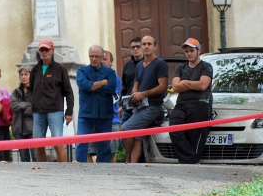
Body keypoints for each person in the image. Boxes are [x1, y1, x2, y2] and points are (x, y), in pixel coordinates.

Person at [121, 35, 169, 163]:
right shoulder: (139, 66)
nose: (146, 46)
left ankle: (127, 161)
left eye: (149, 44)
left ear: (155, 47)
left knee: (124, 130)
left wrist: (143, 95)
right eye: (144, 44)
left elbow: (162, 87)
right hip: (139, 106)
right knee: (137, 137)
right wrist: (135, 95)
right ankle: (133, 166)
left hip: (153, 107)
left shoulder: (160, 63)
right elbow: (135, 85)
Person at [28, 39, 75, 163]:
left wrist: (69, 111)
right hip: (38, 111)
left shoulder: (60, 69)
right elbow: (30, 88)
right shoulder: (35, 70)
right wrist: (33, 100)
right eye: (42, 49)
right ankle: (42, 170)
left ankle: (63, 170)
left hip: (55, 111)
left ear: (52, 51)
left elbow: (68, 91)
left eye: (46, 49)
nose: (44, 52)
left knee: (57, 143)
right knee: (38, 144)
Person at [169, 38, 213, 164]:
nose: (189, 53)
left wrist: (185, 82)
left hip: (201, 103)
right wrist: (192, 84)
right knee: (174, 129)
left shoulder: (206, 66)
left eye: (191, 50)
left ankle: (190, 164)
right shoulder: (180, 68)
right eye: (186, 51)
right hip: (182, 104)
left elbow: (203, 85)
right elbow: (175, 87)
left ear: (199, 50)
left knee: (196, 135)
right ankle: (191, 161)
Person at [74, 45, 117, 164]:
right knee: (81, 142)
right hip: (86, 113)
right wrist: (103, 83)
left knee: (104, 145)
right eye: (91, 56)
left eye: (96, 56)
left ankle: (102, 170)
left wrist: (93, 87)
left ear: (102, 57)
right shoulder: (82, 71)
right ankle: (79, 167)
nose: (93, 59)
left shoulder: (110, 72)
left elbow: (111, 88)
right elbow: (83, 85)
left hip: (104, 113)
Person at [10, 66, 35, 162]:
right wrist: (27, 105)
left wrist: (24, 108)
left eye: (26, 74)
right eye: (21, 75)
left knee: (35, 155)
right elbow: (14, 106)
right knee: (24, 158)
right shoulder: (16, 92)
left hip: (32, 128)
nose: (23, 77)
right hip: (18, 128)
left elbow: (36, 108)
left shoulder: (34, 91)